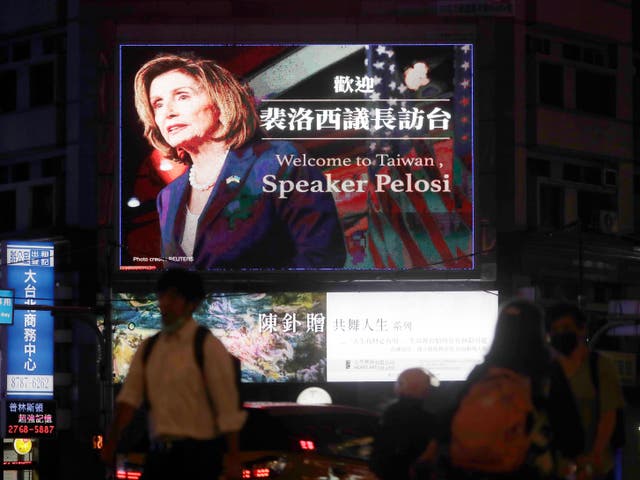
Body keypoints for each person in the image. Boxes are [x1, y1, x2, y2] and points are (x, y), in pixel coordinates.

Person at [133, 52, 346, 269]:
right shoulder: (167, 197)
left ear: (220, 101)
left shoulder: (278, 160)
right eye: (157, 104)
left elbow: (323, 258)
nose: (167, 112)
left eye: (182, 96)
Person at [101, 269, 246, 480]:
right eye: (162, 296)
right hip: (159, 456)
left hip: (199, 458)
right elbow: (128, 401)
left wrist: (233, 456)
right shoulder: (148, 348)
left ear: (192, 304)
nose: (165, 304)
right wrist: (111, 441)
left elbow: (227, 406)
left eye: (173, 297)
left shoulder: (207, 346)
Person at [446, 299, 554, 480]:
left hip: (475, 468)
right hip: (524, 466)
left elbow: (451, 414)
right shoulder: (544, 372)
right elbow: (567, 425)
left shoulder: (481, 372)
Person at [546, 303, 625, 480]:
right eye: (555, 329)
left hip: (596, 468)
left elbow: (608, 417)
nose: (560, 334)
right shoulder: (548, 371)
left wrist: (592, 458)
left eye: (566, 327)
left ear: (582, 330)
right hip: (558, 469)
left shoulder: (600, 366)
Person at [370, 368, 439, 480]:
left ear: (400, 387)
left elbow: (380, 460)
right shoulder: (434, 420)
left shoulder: (390, 414)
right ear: (427, 390)